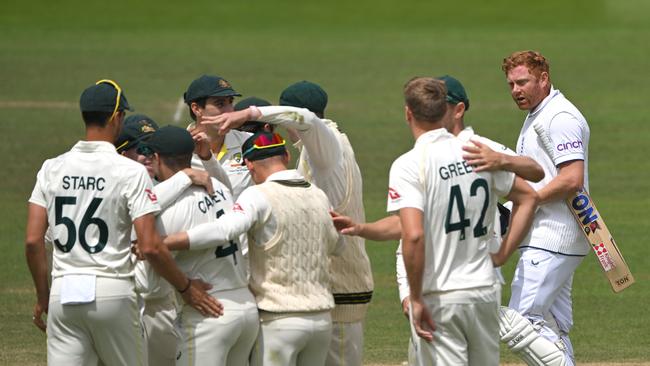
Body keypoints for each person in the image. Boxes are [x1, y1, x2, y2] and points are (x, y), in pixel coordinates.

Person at [24, 80, 222, 366]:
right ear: (117, 117)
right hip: (112, 291)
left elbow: (33, 242)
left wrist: (43, 297)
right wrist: (185, 287)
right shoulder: (131, 172)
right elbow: (150, 246)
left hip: (63, 295)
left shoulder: (51, 167)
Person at [200, 81, 374, 366]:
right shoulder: (318, 148)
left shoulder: (327, 144)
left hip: (339, 289)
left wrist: (250, 114)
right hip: (321, 291)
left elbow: (307, 120)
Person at [389, 77, 539, 365]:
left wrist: (502, 160)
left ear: (458, 109)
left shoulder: (477, 150)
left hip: (446, 289)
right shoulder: (474, 152)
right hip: (478, 286)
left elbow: (412, 236)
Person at [162, 131, 341, 366]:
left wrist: (168, 242)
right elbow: (338, 246)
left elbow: (225, 230)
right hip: (321, 322)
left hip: (279, 322)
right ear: (286, 155)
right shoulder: (318, 195)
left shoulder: (257, 195)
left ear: (248, 163)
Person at [498, 50, 591, 366]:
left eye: (522, 82)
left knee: (519, 323)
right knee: (550, 327)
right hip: (548, 236)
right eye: (511, 84)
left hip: (553, 237)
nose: (516, 90)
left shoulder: (559, 118)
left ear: (543, 78)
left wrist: (531, 200)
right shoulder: (539, 114)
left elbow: (572, 178)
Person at [137, 126, 258, 366]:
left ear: (157, 158)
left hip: (207, 313)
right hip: (245, 308)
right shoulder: (220, 188)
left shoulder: (166, 208)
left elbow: (148, 284)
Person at [115, 113, 218, 366]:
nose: (149, 155)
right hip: (126, 299)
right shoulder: (118, 183)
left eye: (153, 148)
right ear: (122, 153)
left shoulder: (165, 183)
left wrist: (201, 164)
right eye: (142, 148)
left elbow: (223, 192)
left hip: (162, 303)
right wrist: (185, 176)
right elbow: (135, 211)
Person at [183, 74, 252, 200]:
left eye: (230, 102)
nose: (230, 111)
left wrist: (253, 114)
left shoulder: (250, 142)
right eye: (220, 104)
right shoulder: (176, 148)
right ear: (197, 108)